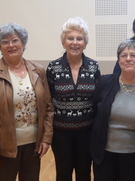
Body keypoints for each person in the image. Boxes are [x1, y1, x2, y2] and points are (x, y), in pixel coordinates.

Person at [0, 23, 54, 181]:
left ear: (23, 44)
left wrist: (46, 138)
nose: (11, 45)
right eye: (5, 42)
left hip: (33, 146)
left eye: (15, 40)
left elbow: (48, 108)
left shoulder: (38, 70)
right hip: (5, 148)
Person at [46, 17, 101, 181]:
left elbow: (97, 99)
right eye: (70, 38)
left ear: (85, 43)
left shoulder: (93, 67)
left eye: (79, 38)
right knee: (63, 173)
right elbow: (48, 100)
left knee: (84, 172)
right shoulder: (53, 67)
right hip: (61, 133)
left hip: (87, 132)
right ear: (63, 42)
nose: (75, 42)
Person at [90, 39, 135, 181]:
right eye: (123, 55)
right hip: (104, 152)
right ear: (118, 60)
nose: (128, 59)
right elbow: (94, 112)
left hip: (134, 154)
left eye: (133, 55)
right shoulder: (104, 82)